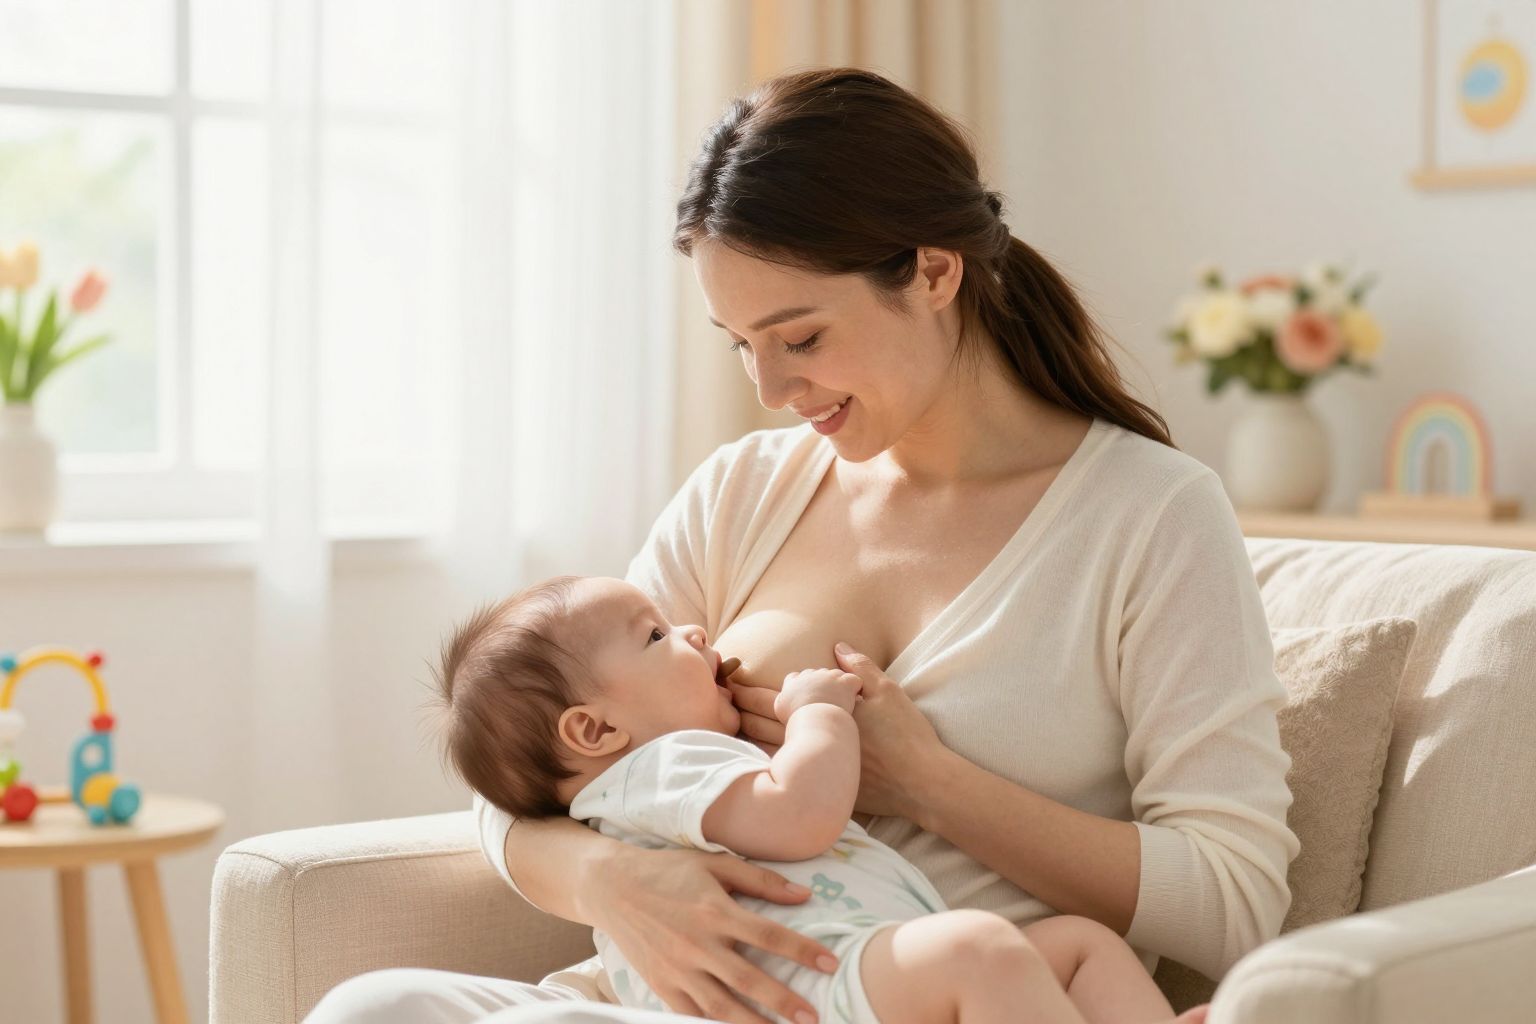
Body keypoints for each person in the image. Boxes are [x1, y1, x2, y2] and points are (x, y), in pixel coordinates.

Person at [304, 66, 1297, 1024]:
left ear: (934, 271)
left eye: (801, 338)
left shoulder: (1150, 516)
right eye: (741, 344)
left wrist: (932, 787)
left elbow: (1234, 896)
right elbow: (527, 759)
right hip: (664, 1003)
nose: (772, 390)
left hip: (912, 999)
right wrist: (611, 878)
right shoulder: (742, 492)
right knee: (372, 1008)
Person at [418, 573, 1209, 1024]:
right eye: (657, 636)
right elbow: (799, 816)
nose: (695, 633)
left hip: (846, 975)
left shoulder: (643, 781)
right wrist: (818, 715)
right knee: (983, 950)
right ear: (594, 730)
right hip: (810, 993)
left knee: (1076, 943)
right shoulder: (660, 768)